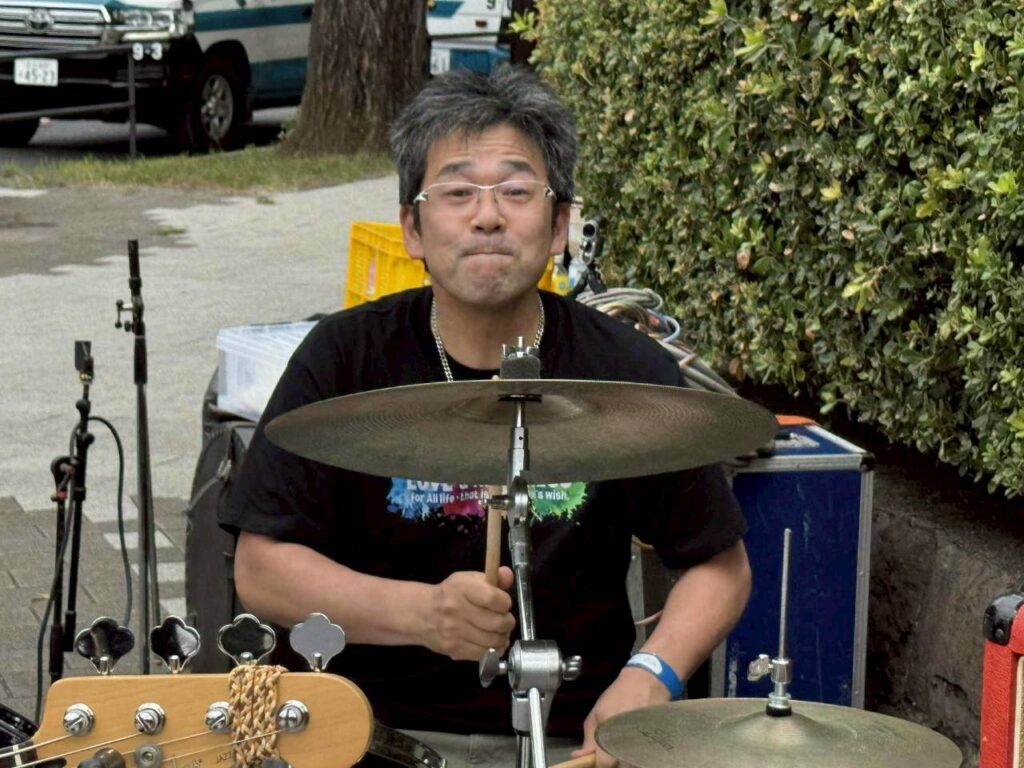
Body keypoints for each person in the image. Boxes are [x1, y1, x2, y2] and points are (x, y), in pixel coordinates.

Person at [221, 66, 751, 768]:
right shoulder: (343, 358)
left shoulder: (626, 369)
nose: (488, 216)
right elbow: (261, 570)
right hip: (372, 735)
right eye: (458, 192)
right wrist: (422, 614)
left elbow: (720, 565)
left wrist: (650, 675)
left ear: (559, 225)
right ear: (412, 228)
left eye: (516, 191)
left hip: (573, 741)